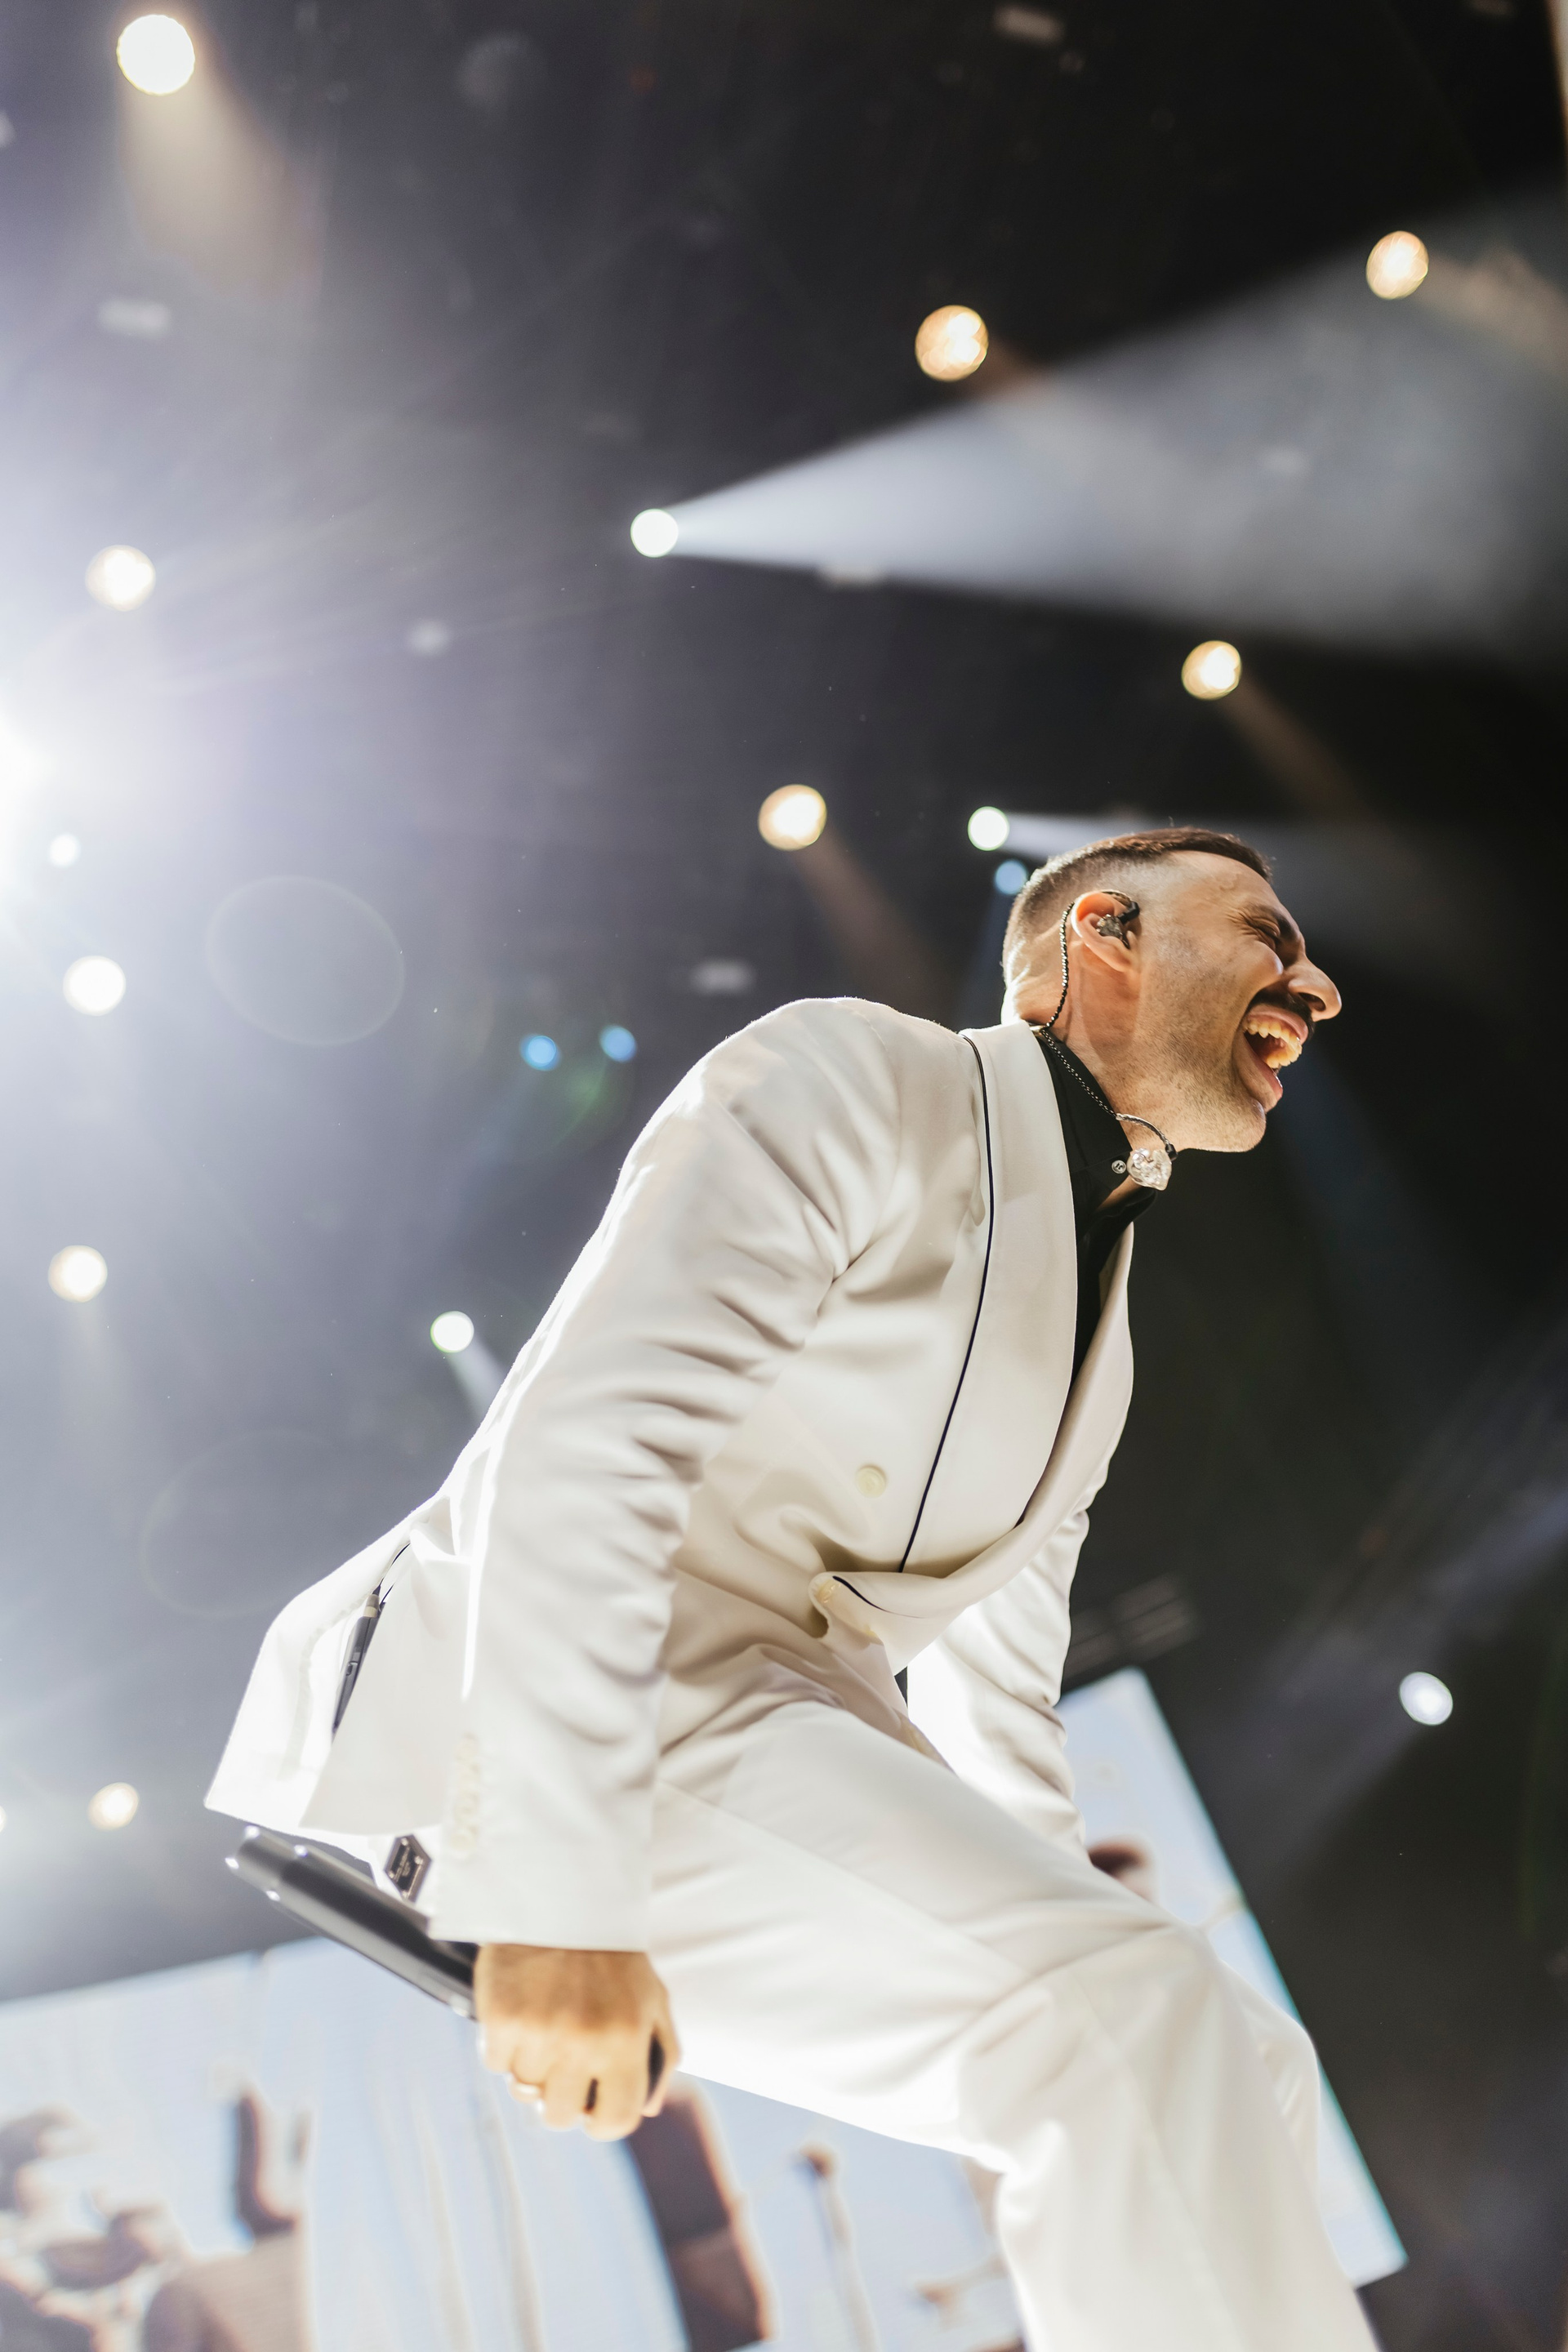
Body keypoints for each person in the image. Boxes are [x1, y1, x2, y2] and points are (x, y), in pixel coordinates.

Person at [210, 826, 1376, 2352]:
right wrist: (554, 1890)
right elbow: (591, 1439)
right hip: (553, 1711)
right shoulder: (858, 1075)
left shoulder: (1104, 1329)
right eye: (1268, 935)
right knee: (1133, 2019)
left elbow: (1002, 1703)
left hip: (772, 1724)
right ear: (1105, 934)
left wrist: (1056, 1944)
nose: (1316, 987)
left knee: (1236, 2052)